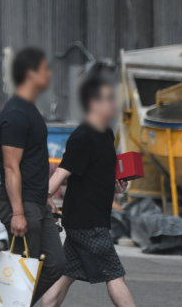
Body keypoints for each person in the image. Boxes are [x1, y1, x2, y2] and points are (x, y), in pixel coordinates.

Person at [42, 76, 135, 307]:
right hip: (87, 224)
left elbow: (97, 173)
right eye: (106, 99)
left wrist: (116, 185)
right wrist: (44, 200)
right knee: (115, 275)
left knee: (65, 277)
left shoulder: (106, 134)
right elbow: (61, 174)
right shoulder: (82, 136)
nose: (112, 104)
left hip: (90, 221)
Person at [0, 47, 65, 306]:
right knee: (24, 270)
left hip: (37, 202)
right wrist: (17, 213)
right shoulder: (15, 115)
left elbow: (33, 163)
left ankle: (12, 303)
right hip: (21, 205)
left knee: (57, 263)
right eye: (45, 69)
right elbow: (11, 167)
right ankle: (11, 303)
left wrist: (45, 196)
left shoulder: (29, 110)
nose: (49, 74)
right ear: (30, 73)